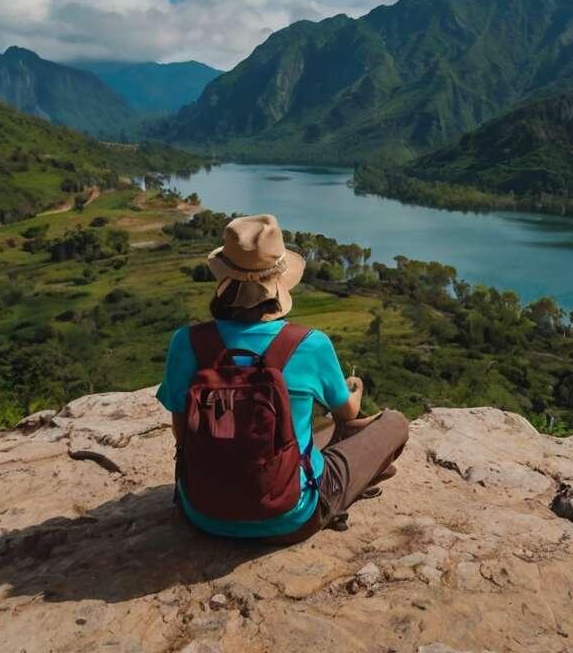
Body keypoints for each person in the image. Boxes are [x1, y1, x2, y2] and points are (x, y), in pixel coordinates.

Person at [156, 214, 408, 543]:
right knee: (393, 423)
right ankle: (356, 478)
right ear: (277, 282)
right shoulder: (309, 343)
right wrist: (353, 391)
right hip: (292, 517)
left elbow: (182, 432)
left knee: (319, 430)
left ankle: (355, 473)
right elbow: (345, 413)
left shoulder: (187, 342)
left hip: (202, 512)